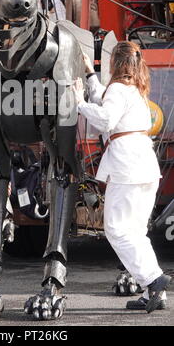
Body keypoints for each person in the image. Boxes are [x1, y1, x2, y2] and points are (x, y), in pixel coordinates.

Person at [73, 41, 171, 313]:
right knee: (136, 232)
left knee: (116, 230)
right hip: (145, 164)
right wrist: (90, 75)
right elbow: (106, 100)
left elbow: (105, 119)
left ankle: (153, 279)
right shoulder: (136, 90)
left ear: (114, 63)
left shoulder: (118, 88)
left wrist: (79, 103)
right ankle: (153, 290)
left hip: (126, 166)